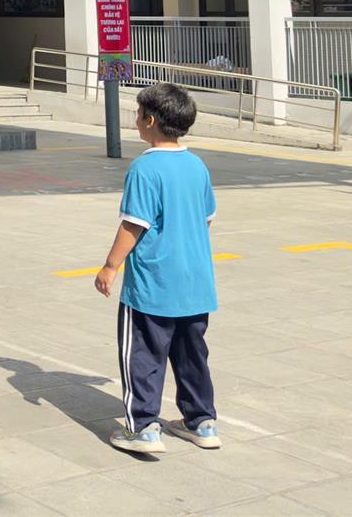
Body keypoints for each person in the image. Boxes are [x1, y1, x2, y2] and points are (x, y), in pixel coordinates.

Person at [95, 82, 221, 456]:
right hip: (195, 281)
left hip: (153, 285)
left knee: (144, 355)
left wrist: (110, 266)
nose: (135, 120)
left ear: (150, 120)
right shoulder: (196, 165)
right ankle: (202, 422)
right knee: (192, 355)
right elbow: (206, 218)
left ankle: (144, 427)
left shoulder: (145, 167)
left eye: (137, 114)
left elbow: (134, 224)